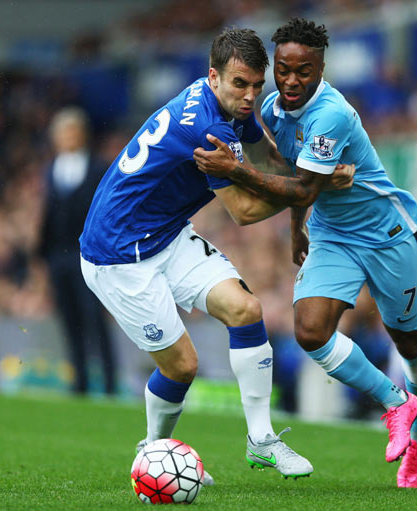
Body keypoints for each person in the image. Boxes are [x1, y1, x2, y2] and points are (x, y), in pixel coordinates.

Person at [79, 28, 353, 483]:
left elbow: (273, 167)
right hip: (118, 254)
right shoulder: (204, 127)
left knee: (246, 310)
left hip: (163, 234)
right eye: (239, 84)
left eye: (256, 86)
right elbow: (244, 211)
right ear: (213, 76)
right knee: (183, 366)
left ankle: (262, 441)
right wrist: (315, 185)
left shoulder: (226, 106)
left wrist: (310, 175)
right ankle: (152, 452)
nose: (249, 97)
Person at [193, 18, 417, 488]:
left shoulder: (332, 114)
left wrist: (235, 171)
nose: (291, 81)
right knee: (309, 329)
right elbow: (293, 179)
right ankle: (397, 403)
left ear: (321, 68)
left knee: (409, 340)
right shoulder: (273, 108)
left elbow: (302, 185)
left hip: (387, 234)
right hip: (332, 233)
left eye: (303, 71)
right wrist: (296, 229)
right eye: (283, 69)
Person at [40, 107, 117, 395]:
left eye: (72, 131)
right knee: (69, 319)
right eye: (63, 133)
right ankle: (79, 382)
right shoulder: (50, 169)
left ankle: (109, 383)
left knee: (94, 318)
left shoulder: (98, 168)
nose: (68, 137)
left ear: (82, 135)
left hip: (90, 254)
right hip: (58, 255)